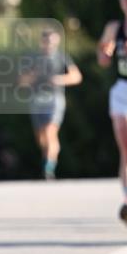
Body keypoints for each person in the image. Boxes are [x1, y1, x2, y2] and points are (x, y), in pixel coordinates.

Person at [97, 0, 127, 227]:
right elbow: (102, 60)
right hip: (123, 91)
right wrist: (105, 52)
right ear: (121, 1)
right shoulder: (114, 28)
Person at [22, 29, 82, 180]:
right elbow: (22, 82)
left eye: (52, 42)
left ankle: (49, 168)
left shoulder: (62, 57)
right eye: (46, 41)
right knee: (41, 137)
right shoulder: (33, 58)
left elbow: (76, 77)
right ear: (41, 42)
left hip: (54, 99)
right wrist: (33, 75)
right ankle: (47, 159)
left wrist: (59, 79)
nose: (49, 45)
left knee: (50, 132)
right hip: (37, 99)